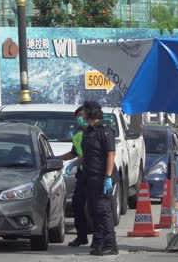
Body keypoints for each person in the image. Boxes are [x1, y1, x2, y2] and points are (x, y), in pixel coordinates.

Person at [80, 100, 119, 256]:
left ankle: (111, 244)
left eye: (84, 111)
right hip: (90, 177)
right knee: (93, 211)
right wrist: (71, 164)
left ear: (90, 112)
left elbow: (111, 154)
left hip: (102, 177)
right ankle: (99, 241)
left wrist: (108, 176)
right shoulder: (89, 131)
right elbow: (88, 154)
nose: (82, 114)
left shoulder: (105, 130)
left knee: (103, 211)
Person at [56, 106, 89, 247]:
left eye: (82, 115)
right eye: (78, 116)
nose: (80, 118)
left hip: (96, 173)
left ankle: (103, 238)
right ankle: (81, 236)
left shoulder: (95, 132)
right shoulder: (76, 134)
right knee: (77, 204)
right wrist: (56, 158)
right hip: (82, 173)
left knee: (97, 208)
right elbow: (74, 152)